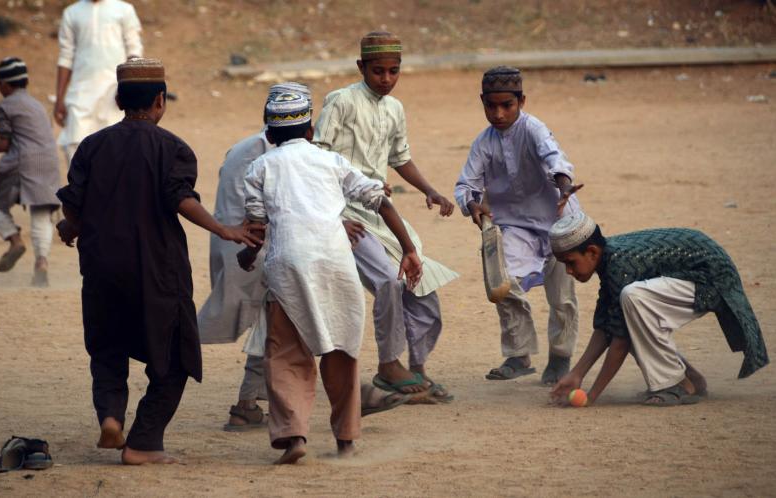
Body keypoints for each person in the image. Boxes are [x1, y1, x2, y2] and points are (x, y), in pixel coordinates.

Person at [55, 58, 262, 465]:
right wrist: (225, 229)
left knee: (108, 348)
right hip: (157, 269)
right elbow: (180, 198)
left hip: (101, 267)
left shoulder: (92, 147)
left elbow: (75, 207)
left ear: (118, 99)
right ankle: (143, 443)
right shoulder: (173, 148)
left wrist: (69, 229)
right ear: (160, 100)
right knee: (176, 355)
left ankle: (112, 416)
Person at [198, 83, 409, 433]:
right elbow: (285, 206)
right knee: (308, 335)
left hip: (246, 244)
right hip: (267, 244)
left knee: (275, 330)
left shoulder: (247, 150)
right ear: (309, 129)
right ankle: (349, 410)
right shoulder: (281, 156)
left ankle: (252, 407)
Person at [238, 92, 423, 464]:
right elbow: (380, 201)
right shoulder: (331, 161)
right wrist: (408, 250)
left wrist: (246, 254)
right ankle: (346, 439)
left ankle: (293, 437)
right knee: (341, 353)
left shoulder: (259, 167)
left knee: (287, 354)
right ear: (310, 130)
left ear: (270, 135)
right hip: (337, 263)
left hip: (288, 266)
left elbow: (256, 227)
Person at [313, 31, 458, 402]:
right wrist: (337, 211)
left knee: (421, 284)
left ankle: (418, 369)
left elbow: (400, 158)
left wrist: (430, 191)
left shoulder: (395, 108)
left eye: (394, 71)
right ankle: (388, 365)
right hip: (344, 211)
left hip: (380, 211)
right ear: (361, 66)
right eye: (378, 71)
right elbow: (317, 157)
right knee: (388, 282)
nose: (386, 79)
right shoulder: (341, 101)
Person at [548, 212, 769, 406]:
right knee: (628, 313)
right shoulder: (609, 261)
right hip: (695, 276)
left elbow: (620, 342)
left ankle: (677, 384)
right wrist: (576, 374)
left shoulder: (619, 265)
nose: (568, 271)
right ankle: (690, 378)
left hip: (711, 280)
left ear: (593, 252)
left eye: (571, 262)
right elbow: (607, 327)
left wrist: (592, 395)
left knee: (632, 299)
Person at [454, 66, 583, 385]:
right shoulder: (483, 143)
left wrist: (564, 186)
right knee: (500, 281)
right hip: (515, 227)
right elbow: (465, 184)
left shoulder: (534, 129)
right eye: (491, 106)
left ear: (521, 101)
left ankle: (560, 356)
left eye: (506, 106)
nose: (498, 113)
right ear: (482, 102)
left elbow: (556, 159)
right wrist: (472, 205)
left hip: (558, 220)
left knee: (561, 296)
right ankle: (519, 352)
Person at [0, 57, 61, 287]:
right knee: (41, 215)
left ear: (4, 85)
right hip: (49, 163)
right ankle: (42, 262)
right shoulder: (38, 105)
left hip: (21, 164)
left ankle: (15, 241)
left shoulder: (5, 107)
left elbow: (5, 144)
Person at [55, 0, 143, 165]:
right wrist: (59, 98)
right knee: (75, 148)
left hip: (115, 94)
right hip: (80, 94)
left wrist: (127, 86)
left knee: (116, 150)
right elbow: (66, 57)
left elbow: (134, 51)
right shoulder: (71, 13)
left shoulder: (124, 10)